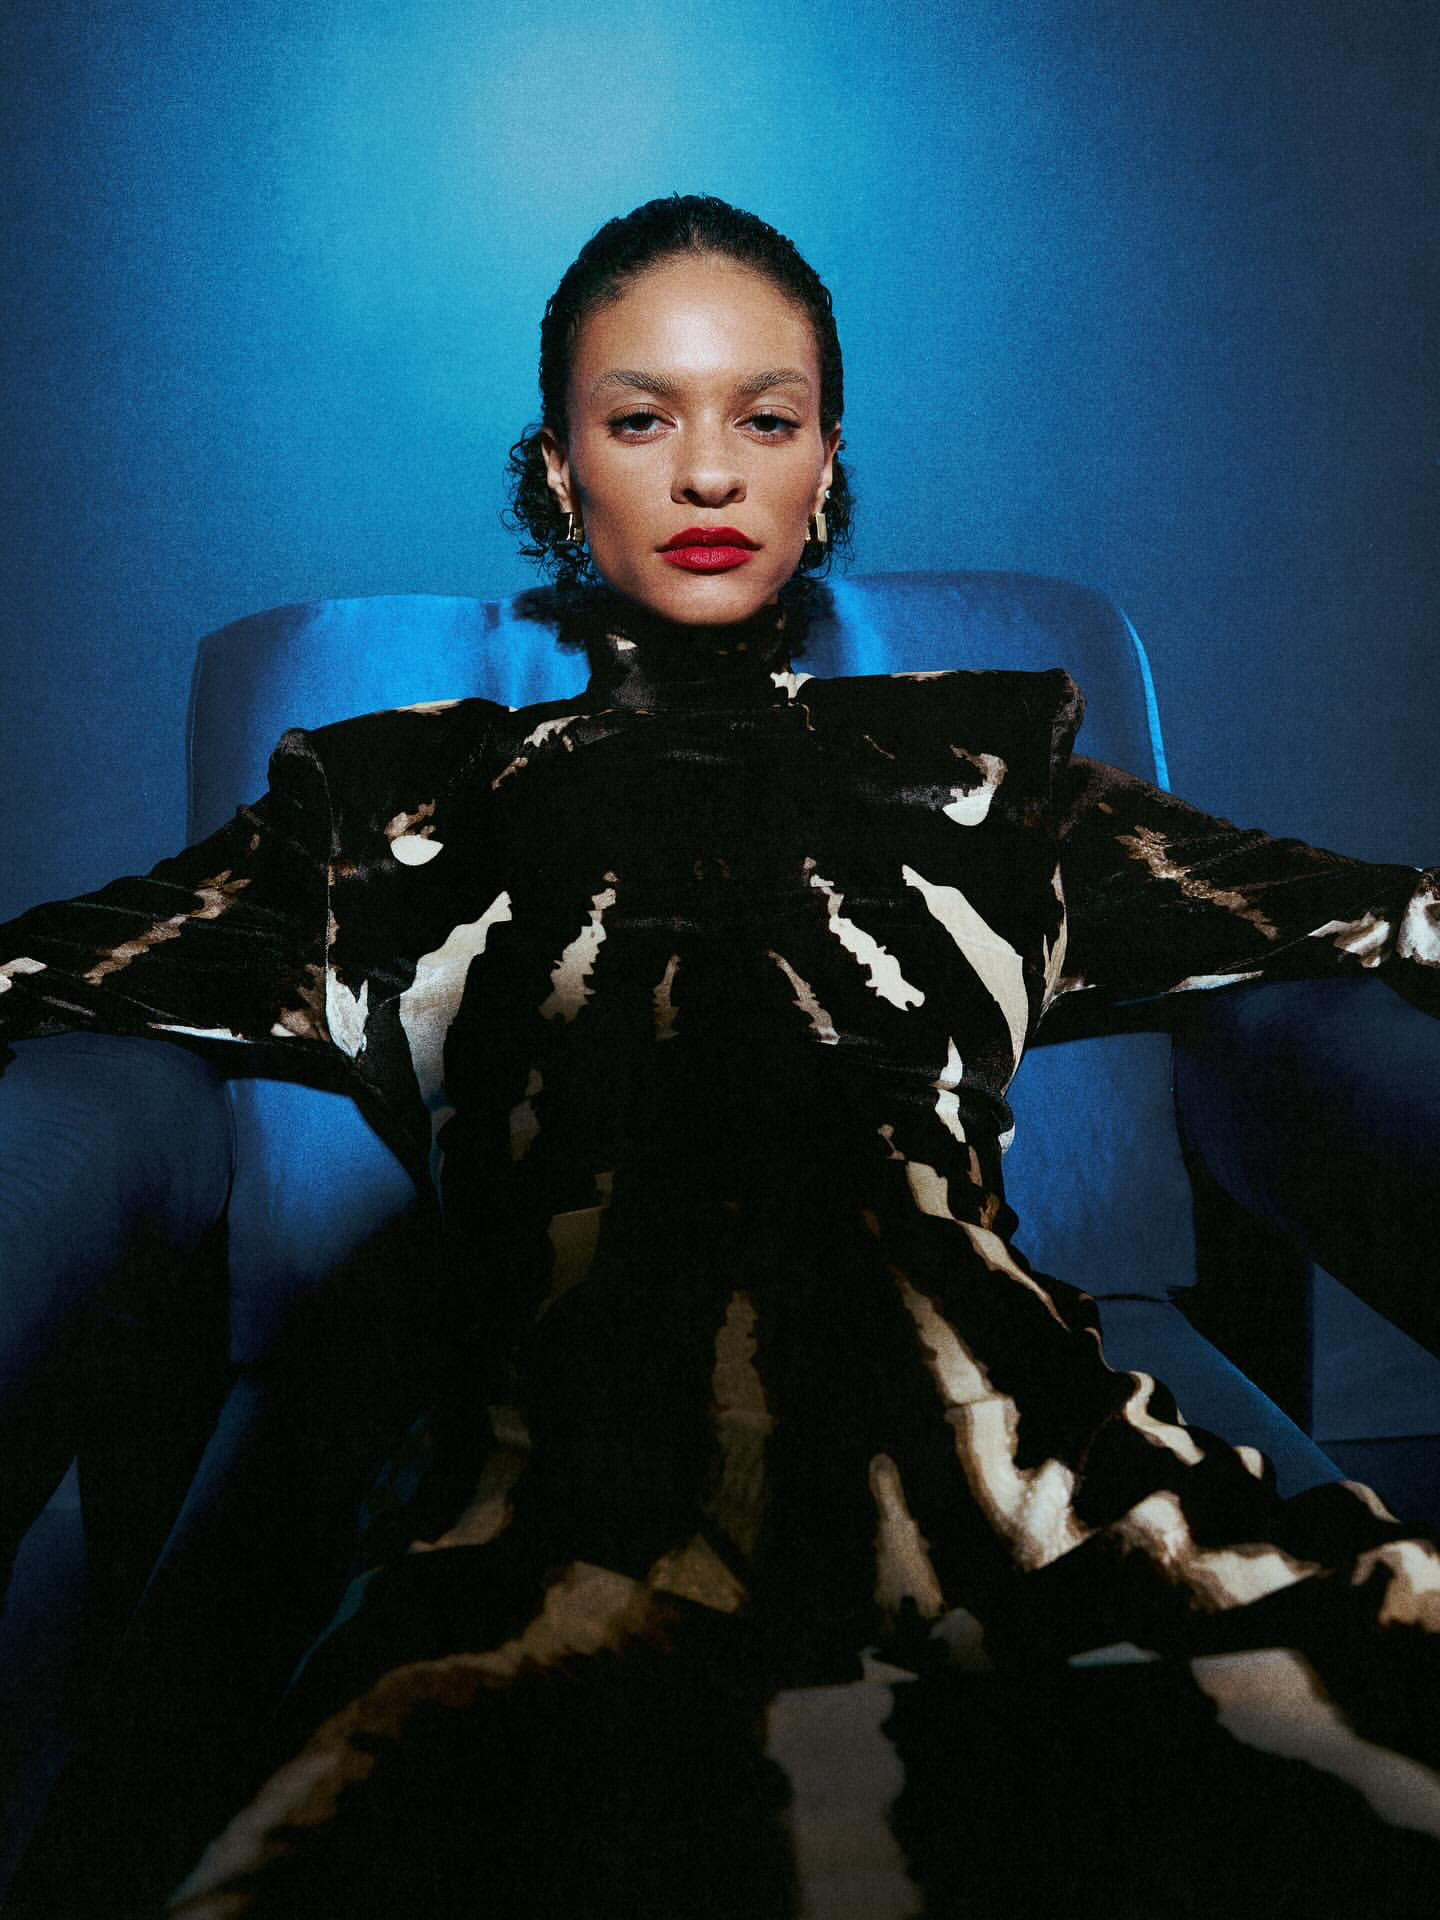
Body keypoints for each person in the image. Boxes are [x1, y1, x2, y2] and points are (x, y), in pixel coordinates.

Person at [2, 194, 1439, 1917]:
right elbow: (64, 965)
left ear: (826, 468)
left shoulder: (990, 770)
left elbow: (1365, 914)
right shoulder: (386, 799)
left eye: (766, 419)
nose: (707, 475)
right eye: (641, 421)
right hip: (564, 1479)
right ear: (558, 473)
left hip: (1018, 1458)